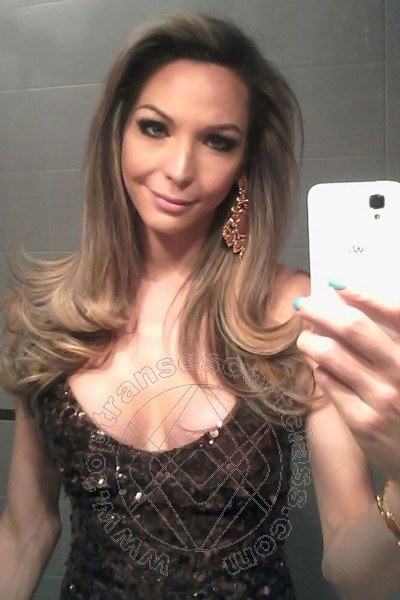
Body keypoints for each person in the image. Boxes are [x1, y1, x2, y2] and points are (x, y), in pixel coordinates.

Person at [0, 10, 399, 600]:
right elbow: (25, 531)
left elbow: (356, 574)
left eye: (218, 141)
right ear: (117, 136)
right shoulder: (45, 318)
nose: (180, 169)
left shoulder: (296, 316)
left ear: (244, 165)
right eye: (155, 128)